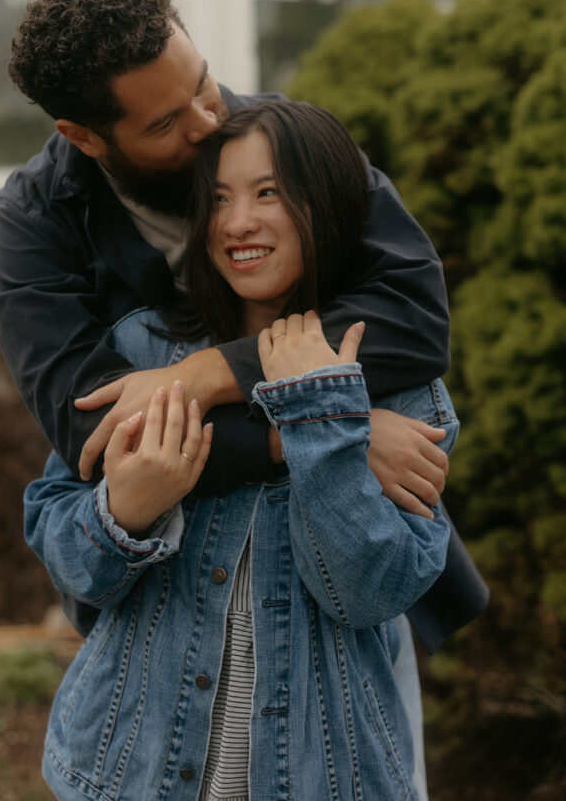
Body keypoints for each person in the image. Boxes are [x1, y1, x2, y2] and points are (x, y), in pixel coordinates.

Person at [0, 0, 488, 658]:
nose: (209, 121)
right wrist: (324, 432)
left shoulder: (290, 143)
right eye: (165, 122)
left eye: (202, 83)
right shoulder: (32, 224)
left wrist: (207, 375)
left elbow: (413, 312)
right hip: (165, 607)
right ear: (85, 137)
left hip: (339, 599)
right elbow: (98, 433)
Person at [23, 101, 457, 800]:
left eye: (267, 194)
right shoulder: (141, 350)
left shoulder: (400, 388)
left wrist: (323, 416)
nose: (236, 223)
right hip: (125, 771)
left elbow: (369, 592)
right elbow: (69, 561)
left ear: (331, 205)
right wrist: (122, 515)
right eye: (218, 199)